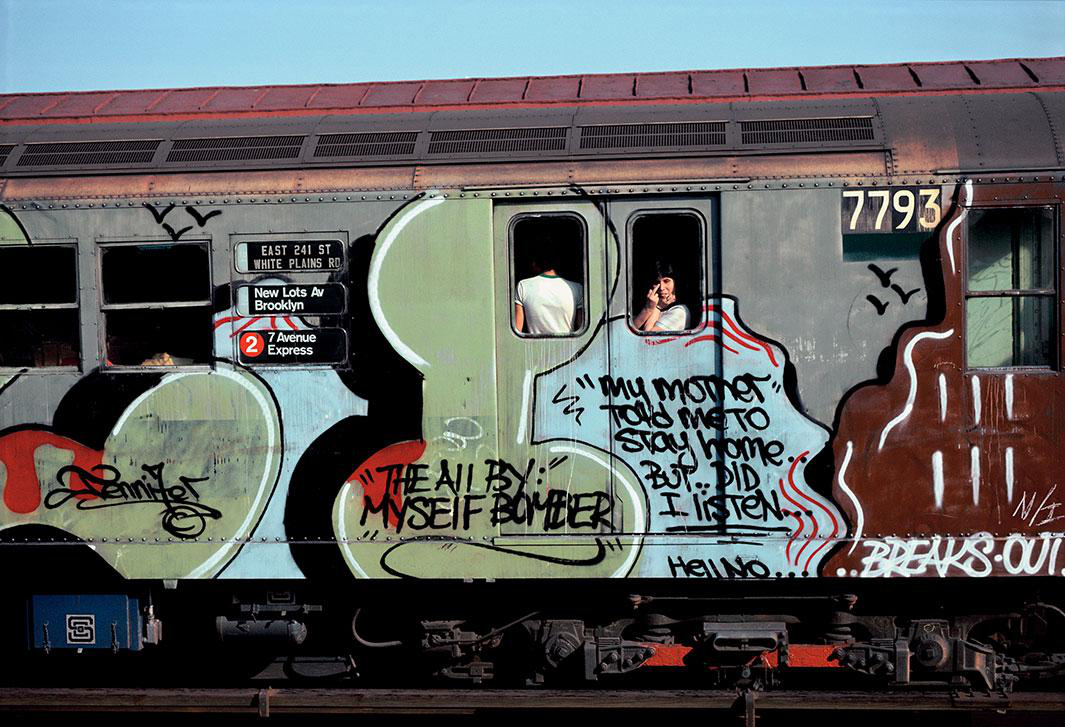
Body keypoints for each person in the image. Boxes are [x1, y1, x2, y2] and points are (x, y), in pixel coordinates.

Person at [514, 241, 583, 335]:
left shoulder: (523, 286)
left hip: (534, 347)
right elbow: (581, 329)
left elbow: (517, 330)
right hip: (570, 348)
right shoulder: (577, 288)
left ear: (535, 262)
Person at [633, 261, 690, 332]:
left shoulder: (679, 311)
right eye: (656, 282)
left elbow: (649, 336)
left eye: (666, 281)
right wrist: (648, 309)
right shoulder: (649, 304)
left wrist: (658, 307)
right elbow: (629, 330)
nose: (661, 287)